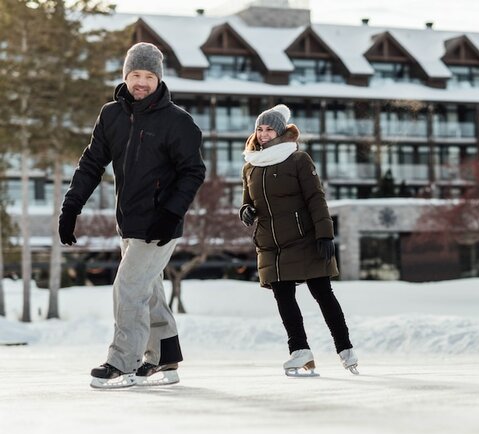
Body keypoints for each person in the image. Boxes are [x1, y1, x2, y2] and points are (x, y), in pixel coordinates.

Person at [58, 42, 206, 389]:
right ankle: (165, 356)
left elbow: (193, 172)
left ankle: (123, 361)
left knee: (128, 288)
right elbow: (92, 164)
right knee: (148, 290)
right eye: (135, 74)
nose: (141, 82)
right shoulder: (112, 115)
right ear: (126, 76)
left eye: (148, 76)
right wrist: (71, 206)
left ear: (159, 79)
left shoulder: (178, 122)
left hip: (161, 225)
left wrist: (170, 214)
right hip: (130, 223)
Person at [239, 104, 359, 377]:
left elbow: (316, 198)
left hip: (304, 238)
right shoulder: (250, 166)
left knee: (322, 293)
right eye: (260, 128)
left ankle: (345, 347)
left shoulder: (298, 160)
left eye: (270, 129)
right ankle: (300, 351)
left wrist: (325, 233)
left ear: (281, 132)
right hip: (271, 242)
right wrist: (245, 211)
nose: (264, 134)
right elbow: (248, 201)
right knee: (283, 297)